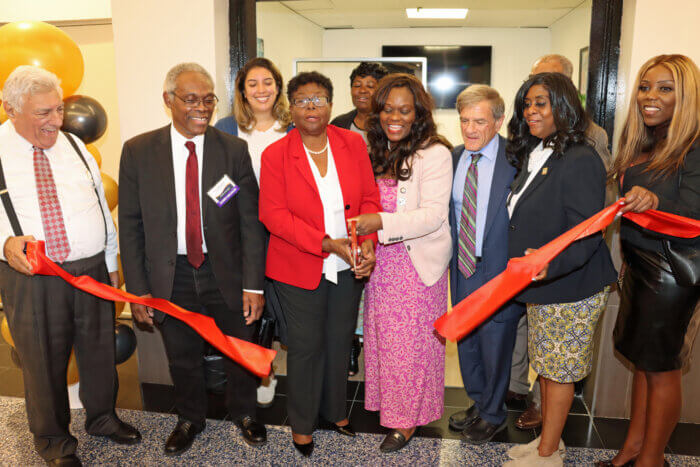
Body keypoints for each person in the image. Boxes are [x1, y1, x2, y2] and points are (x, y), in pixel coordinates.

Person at [118, 63, 267, 456]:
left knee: (239, 347)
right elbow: (130, 225)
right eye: (191, 99)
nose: (201, 108)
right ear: (168, 100)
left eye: (208, 100)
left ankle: (245, 413)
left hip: (226, 274)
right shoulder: (138, 151)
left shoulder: (232, 151)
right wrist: (138, 292)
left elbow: (250, 222)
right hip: (172, 275)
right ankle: (189, 418)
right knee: (181, 354)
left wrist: (253, 284)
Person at [0, 65, 141, 466]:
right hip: (33, 277)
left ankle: (102, 419)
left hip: (90, 269)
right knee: (42, 361)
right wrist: (5, 241)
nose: (56, 121)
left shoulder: (75, 146)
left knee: (99, 350)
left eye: (58, 110)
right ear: (10, 109)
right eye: (43, 113)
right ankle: (54, 442)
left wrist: (111, 259)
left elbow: (99, 204)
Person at [258, 71, 382, 457]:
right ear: (290, 107)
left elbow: (370, 200)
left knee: (338, 340)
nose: (311, 107)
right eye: (302, 100)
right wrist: (326, 243)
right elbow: (273, 215)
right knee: (307, 346)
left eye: (319, 99)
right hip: (298, 265)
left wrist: (367, 245)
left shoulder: (352, 144)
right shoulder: (275, 154)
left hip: (348, 264)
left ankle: (335, 412)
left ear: (331, 104)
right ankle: (302, 423)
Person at [503, 72, 617, 466]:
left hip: (572, 283)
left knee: (560, 371)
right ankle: (546, 443)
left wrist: (547, 266)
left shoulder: (581, 157)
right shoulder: (540, 151)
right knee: (548, 371)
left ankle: (549, 454)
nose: (531, 111)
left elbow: (587, 234)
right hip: (542, 282)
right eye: (527, 103)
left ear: (563, 107)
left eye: (541, 103)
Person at [596, 54, 700, 467]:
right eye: (644, 87)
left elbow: (694, 210)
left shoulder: (694, 145)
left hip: (673, 271)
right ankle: (632, 451)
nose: (649, 97)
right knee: (641, 363)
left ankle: (651, 461)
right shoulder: (643, 142)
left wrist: (655, 200)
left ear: (685, 96)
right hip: (638, 264)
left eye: (664, 88)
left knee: (661, 369)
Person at [349, 73, 452, 452]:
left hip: (415, 266)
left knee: (410, 347)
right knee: (385, 344)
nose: (396, 117)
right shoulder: (373, 150)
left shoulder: (434, 152)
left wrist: (380, 223)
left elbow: (432, 216)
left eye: (405, 110)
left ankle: (405, 422)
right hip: (381, 268)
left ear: (418, 113)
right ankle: (391, 410)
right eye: (388, 109)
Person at [445, 85, 525, 444]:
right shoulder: (453, 158)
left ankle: (494, 413)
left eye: (479, 121)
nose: (471, 129)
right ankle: (479, 402)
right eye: (464, 121)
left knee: (496, 344)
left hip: (498, 270)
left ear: (499, 120)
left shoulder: (519, 159)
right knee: (468, 341)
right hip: (461, 267)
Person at [214, 56, 291, 407]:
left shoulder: (292, 127)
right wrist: (224, 210)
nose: (261, 90)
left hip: (284, 232)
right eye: (252, 84)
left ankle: (272, 364)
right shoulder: (227, 127)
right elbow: (217, 182)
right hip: (242, 231)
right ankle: (262, 372)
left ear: (278, 88)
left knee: (278, 305)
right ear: (242, 92)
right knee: (249, 306)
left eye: (268, 83)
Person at [330, 61, 389, 376]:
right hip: (345, 214)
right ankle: (351, 344)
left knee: (375, 285)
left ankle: (373, 344)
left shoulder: (388, 123)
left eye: (371, 84)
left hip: (383, 214)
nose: (363, 90)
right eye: (358, 84)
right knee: (352, 280)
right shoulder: (338, 123)